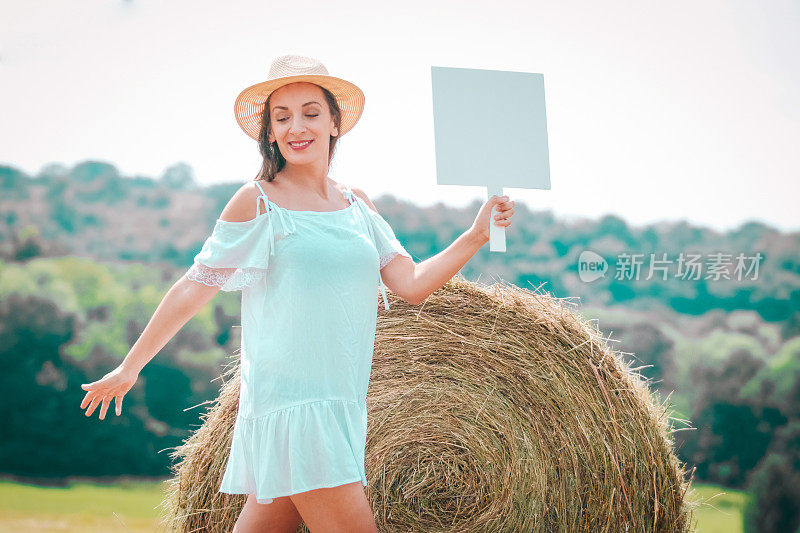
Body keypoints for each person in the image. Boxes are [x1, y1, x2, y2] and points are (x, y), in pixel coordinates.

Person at [79, 54, 515, 533]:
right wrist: (130, 365)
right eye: (281, 118)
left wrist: (475, 235)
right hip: (293, 405)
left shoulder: (356, 205)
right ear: (268, 132)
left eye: (310, 112)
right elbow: (192, 287)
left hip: (340, 401)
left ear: (334, 122)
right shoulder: (259, 201)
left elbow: (410, 284)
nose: (296, 127)